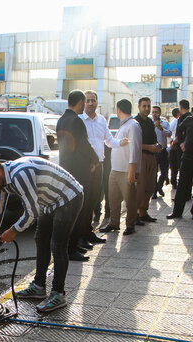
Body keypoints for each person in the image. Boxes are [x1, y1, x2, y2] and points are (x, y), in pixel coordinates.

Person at [0, 155, 84, 312]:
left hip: (68, 197)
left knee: (57, 245)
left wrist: (13, 230)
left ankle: (58, 294)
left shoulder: (20, 174)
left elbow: (31, 212)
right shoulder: (1, 182)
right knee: (40, 239)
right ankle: (39, 287)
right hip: (48, 202)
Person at [56, 90, 99, 261]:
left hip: (66, 170)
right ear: (80, 102)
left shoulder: (61, 120)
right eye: (84, 103)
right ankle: (71, 248)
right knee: (77, 210)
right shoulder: (76, 121)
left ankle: (74, 245)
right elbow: (83, 145)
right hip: (79, 172)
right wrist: (95, 159)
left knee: (71, 210)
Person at [99, 99, 141, 235]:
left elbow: (135, 150)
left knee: (129, 200)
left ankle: (130, 225)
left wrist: (132, 171)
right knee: (113, 198)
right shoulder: (124, 125)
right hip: (116, 169)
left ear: (119, 110)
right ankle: (114, 223)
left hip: (126, 170)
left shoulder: (133, 126)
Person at [79, 90, 112, 243]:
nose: (91, 103)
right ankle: (80, 236)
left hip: (99, 166)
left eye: (93, 100)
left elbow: (109, 140)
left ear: (97, 102)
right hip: (84, 167)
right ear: (83, 103)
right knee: (83, 203)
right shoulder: (79, 120)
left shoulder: (102, 120)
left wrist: (122, 143)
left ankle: (88, 232)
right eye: (88, 101)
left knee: (94, 200)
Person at [134, 97, 162, 224]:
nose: (146, 108)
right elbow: (133, 144)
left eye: (148, 106)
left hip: (152, 157)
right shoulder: (135, 122)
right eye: (144, 106)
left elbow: (154, 139)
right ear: (139, 107)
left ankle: (143, 213)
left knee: (150, 187)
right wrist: (148, 147)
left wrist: (157, 146)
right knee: (139, 188)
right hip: (140, 157)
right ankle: (134, 215)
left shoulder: (150, 122)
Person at [170, 100, 192, 189]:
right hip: (189, 145)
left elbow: (181, 133)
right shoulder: (191, 116)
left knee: (182, 170)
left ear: (181, 107)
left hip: (182, 147)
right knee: (188, 171)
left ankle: (184, 192)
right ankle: (188, 192)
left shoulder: (183, 118)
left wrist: (173, 143)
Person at [151, 106, 171, 199]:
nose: (154, 114)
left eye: (156, 112)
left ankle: (159, 186)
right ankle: (154, 191)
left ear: (160, 113)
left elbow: (169, 134)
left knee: (164, 172)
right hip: (154, 152)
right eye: (153, 112)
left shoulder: (165, 123)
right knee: (154, 173)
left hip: (163, 151)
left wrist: (161, 128)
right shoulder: (150, 124)